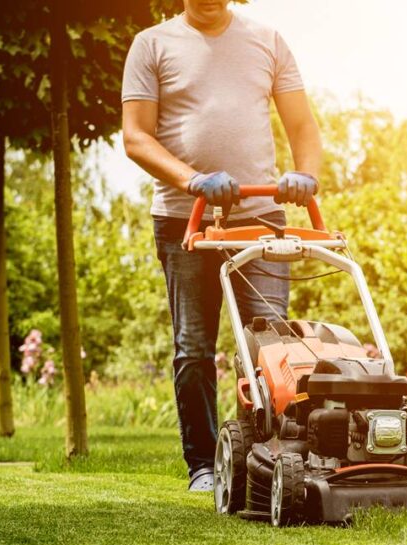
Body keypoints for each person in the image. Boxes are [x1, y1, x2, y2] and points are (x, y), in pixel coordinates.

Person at [122, 0, 323, 491]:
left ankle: (260, 460)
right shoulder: (152, 44)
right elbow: (135, 137)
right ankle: (204, 466)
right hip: (184, 220)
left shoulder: (267, 40)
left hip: (261, 218)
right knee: (193, 348)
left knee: (270, 346)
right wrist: (193, 180)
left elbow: (303, 126)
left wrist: (305, 175)